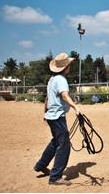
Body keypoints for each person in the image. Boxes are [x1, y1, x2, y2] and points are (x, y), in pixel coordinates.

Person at [35, 52, 81, 185]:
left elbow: (48, 98)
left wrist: (45, 113)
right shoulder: (61, 80)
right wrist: (75, 107)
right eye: (69, 65)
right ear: (65, 67)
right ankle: (55, 177)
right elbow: (65, 96)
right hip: (57, 117)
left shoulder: (52, 79)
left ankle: (40, 166)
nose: (70, 67)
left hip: (51, 116)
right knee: (64, 144)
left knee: (56, 141)